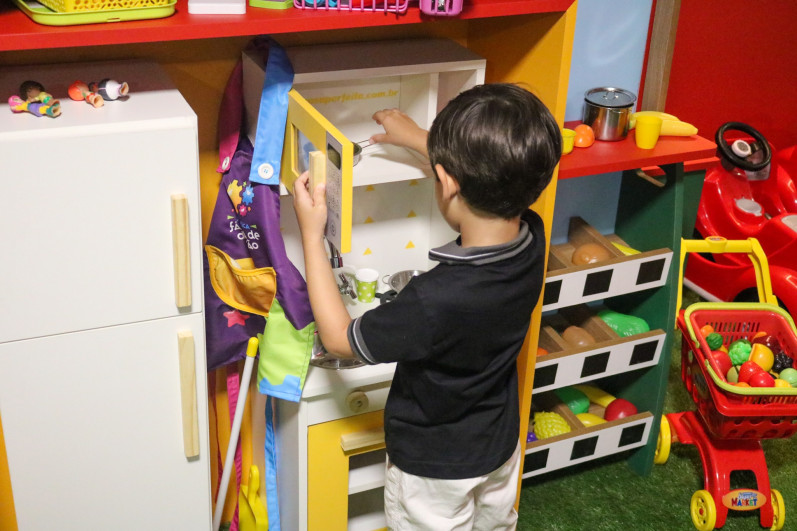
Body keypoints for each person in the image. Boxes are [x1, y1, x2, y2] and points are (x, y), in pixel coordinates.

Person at [292, 82, 561, 530]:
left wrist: (310, 234)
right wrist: (422, 139)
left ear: (447, 182)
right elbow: (499, 172)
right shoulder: (532, 237)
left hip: (433, 468)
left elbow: (339, 339)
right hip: (498, 445)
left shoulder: (433, 298)